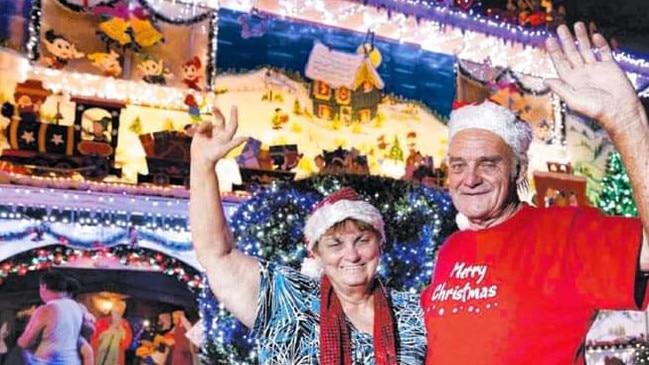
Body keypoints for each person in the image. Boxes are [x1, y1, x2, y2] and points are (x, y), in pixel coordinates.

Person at [421, 21, 649, 364]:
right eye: (458, 165)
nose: (470, 179)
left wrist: (627, 122)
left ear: (518, 170)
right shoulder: (452, 249)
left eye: (487, 164)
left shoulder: (564, 234)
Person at [189, 107, 427, 364]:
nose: (352, 254)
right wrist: (203, 166)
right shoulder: (287, 301)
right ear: (315, 252)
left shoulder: (411, 313)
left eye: (362, 240)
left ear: (380, 243)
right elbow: (216, 254)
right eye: (335, 243)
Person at [17, 270, 95, 365]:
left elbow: (25, 342)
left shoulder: (46, 310)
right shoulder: (78, 307)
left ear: (43, 287)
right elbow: (90, 330)